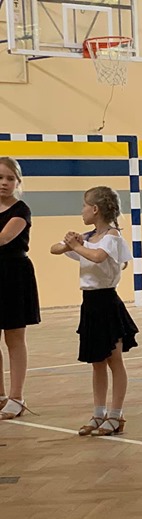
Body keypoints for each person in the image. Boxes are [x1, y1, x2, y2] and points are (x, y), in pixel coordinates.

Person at [50, 186, 138, 436]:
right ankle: (98, 412)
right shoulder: (87, 238)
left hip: (107, 303)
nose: (82, 211)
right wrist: (70, 241)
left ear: (95, 209)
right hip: (89, 304)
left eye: (84, 206)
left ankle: (116, 414)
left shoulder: (112, 236)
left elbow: (98, 256)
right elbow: (54, 249)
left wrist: (77, 246)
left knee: (114, 360)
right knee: (97, 362)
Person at [0, 157, 40, 420]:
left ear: (18, 182)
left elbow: (3, 238)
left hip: (13, 275)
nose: (4, 183)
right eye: (0, 178)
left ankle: (17, 397)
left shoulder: (21, 210)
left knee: (14, 338)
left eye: (9, 178)